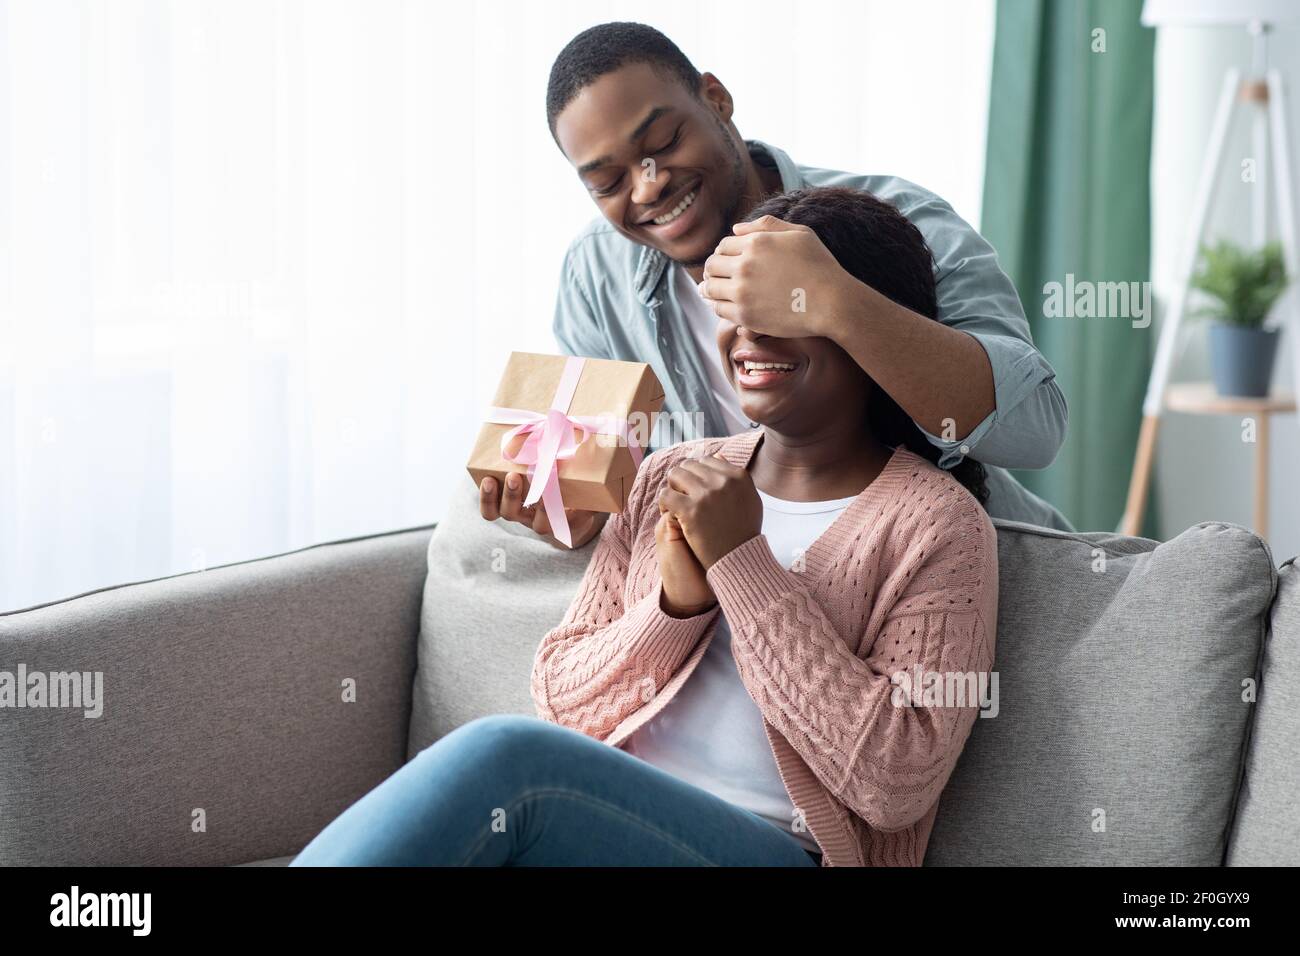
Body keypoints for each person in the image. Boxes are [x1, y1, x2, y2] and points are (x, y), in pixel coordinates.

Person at [291, 185, 998, 867]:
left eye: (779, 306)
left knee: (507, 759)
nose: (747, 333)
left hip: (781, 849)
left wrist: (742, 564)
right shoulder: (668, 472)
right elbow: (563, 702)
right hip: (605, 829)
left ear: (867, 321)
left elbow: (894, 778)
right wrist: (676, 606)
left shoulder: (938, 524)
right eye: (730, 305)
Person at [478, 21, 1072, 550]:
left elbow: (1036, 430)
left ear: (716, 99)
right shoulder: (594, 276)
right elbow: (623, 490)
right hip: (761, 603)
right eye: (608, 182)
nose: (647, 187)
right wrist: (583, 517)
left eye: (662, 145)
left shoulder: (896, 217)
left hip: (959, 573)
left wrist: (838, 303)